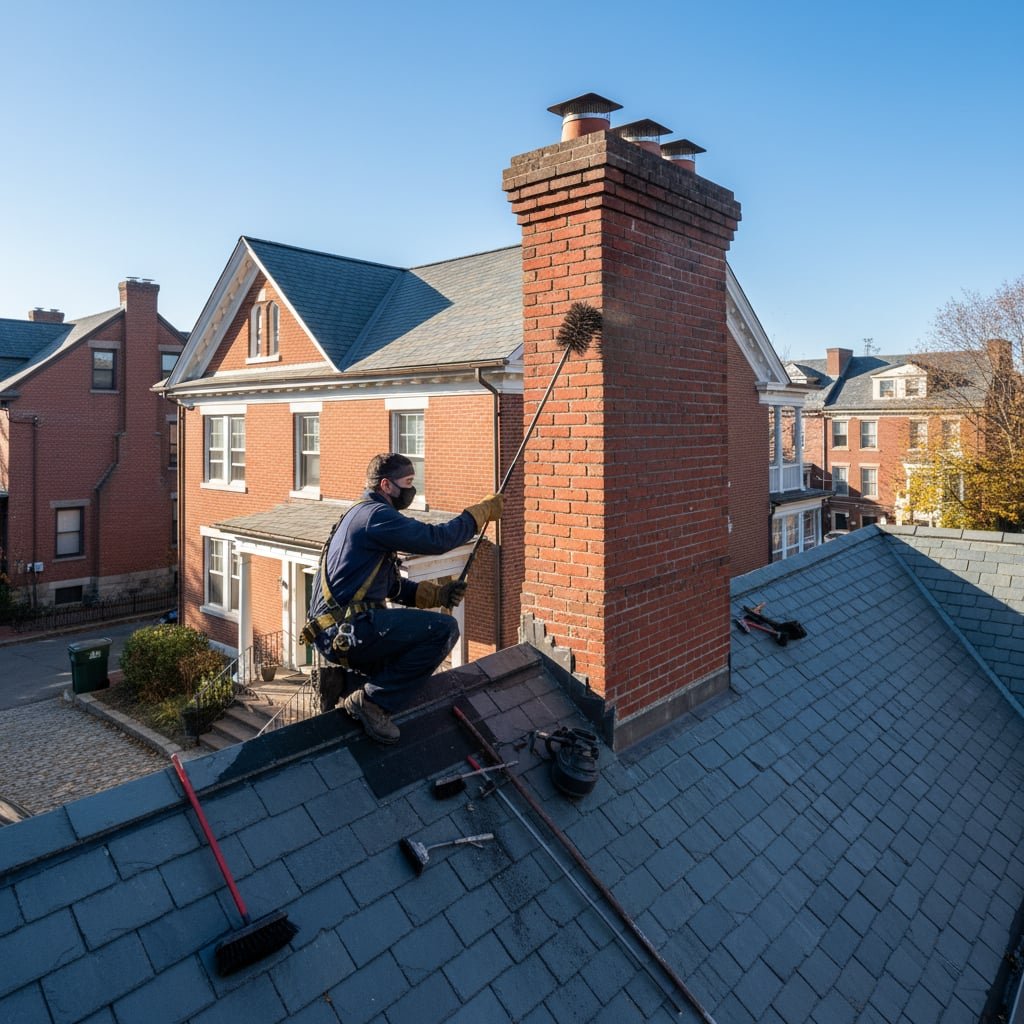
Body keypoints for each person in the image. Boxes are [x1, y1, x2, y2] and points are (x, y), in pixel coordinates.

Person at [302, 453, 503, 745]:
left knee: (406, 659)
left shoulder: (360, 515)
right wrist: (478, 514)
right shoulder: (375, 516)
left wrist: (435, 595)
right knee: (443, 630)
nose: (412, 490)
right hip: (348, 630)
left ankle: (345, 684)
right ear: (386, 485)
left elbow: (391, 586)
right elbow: (436, 539)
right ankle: (371, 702)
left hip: (338, 632)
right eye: (407, 483)